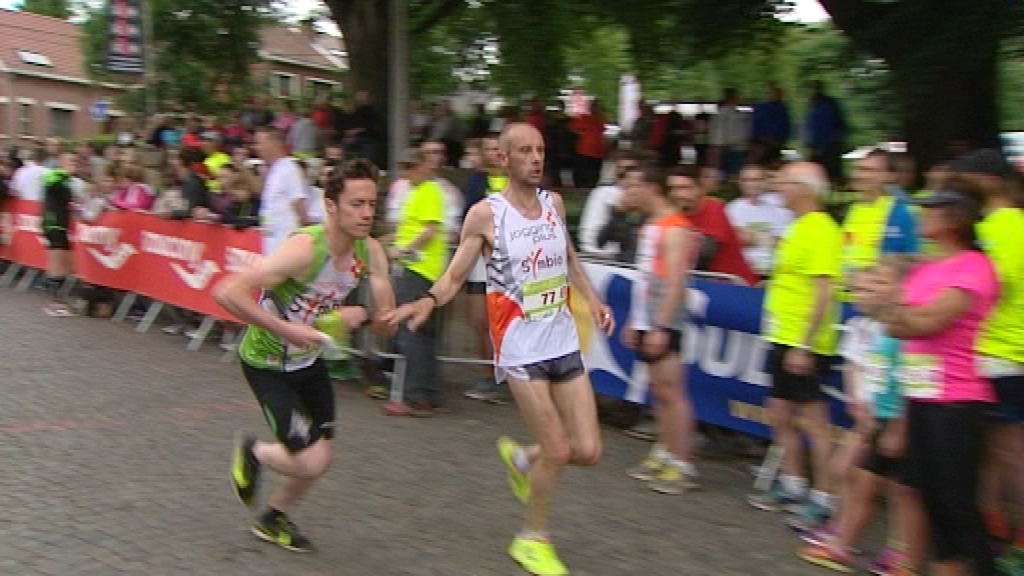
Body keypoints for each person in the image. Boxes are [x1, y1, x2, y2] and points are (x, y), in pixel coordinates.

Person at [385, 123, 614, 576]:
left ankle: (523, 458)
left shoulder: (554, 205)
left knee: (587, 449)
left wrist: (593, 297)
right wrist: (427, 301)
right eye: (525, 151)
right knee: (559, 448)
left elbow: (567, 258)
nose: (536, 158)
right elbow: (453, 276)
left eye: (541, 150)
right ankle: (532, 538)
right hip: (520, 347)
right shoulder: (486, 215)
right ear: (503, 160)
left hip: (562, 338)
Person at [214, 159, 396, 552]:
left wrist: (373, 316)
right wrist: (287, 329)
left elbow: (384, 311)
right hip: (268, 363)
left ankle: (273, 516)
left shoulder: (370, 250)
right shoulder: (303, 250)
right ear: (330, 206)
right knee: (311, 459)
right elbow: (227, 292)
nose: (367, 214)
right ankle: (255, 453)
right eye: (356, 204)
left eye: (371, 204)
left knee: (322, 456)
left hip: (308, 362)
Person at [860, 178, 999, 576]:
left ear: (955, 218)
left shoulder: (974, 267)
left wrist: (887, 309)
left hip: (957, 400)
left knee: (954, 506)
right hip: (922, 396)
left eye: (932, 207)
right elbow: (903, 328)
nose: (922, 213)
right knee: (933, 501)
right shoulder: (930, 267)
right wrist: (897, 315)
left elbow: (927, 322)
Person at [797, 257, 926, 575]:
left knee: (902, 492)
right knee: (863, 482)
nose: (871, 291)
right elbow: (876, 374)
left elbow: (915, 379)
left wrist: (898, 424)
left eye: (882, 283)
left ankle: (903, 557)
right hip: (878, 417)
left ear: (904, 287)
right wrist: (864, 407)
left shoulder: (912, 328)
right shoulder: (882, 327)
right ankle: (842, 544)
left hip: (901, 421)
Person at [748, 162, 842, 530]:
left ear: (805, 188)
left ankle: (825, 496)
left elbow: (823, 291)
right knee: (780, 413)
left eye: (785, 181)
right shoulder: (798, 226)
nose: (779, 188)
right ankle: (793, 482)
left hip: (805, 341)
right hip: (782, 335)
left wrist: (805, 345)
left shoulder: (821, 229)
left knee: (813, 421)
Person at [617, 162, 701, 495]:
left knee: (672, 391)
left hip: (664, 318)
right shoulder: (653, 225)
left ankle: (683, 463)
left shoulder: (676, 228)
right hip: (649, 316)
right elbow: (646, 279)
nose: (626, 193)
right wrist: (636, 322)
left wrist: (662, 325)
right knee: (660, 391)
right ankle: (665, 452)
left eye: (631, 186)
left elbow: (676, 280)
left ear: (649, 187)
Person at [41, 152, 81, 317]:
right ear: (61, 162)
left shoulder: (67, 182)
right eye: (71, 160)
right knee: (57, 265)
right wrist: (65, 172)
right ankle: (53, 303)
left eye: (75, 161)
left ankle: (58, 301)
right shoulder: (54, 174)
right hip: (54, 223)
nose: (74, 163)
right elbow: (48, 180)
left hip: (63, 225)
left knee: (66, 266)